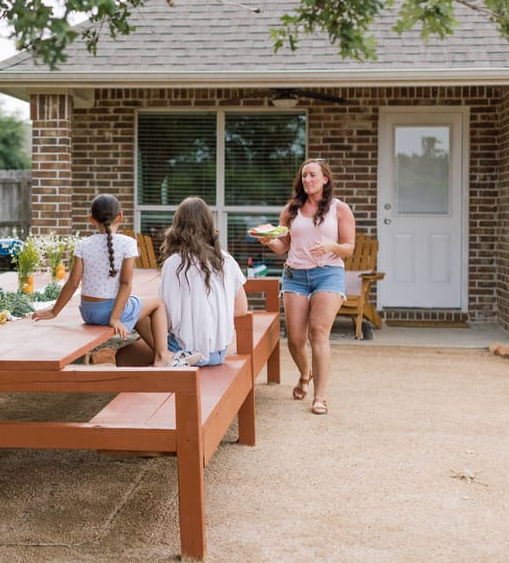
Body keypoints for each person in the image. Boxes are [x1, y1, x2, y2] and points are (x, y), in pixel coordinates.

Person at [256, 159, 356, 415]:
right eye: (304, 176)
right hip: (295, 276)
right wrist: (269, 242)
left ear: (325, 179)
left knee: (318, 332)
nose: (307, 180)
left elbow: (348, 247)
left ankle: (319, 397)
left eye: (312, 175)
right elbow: (283, 245)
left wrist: (331, 247)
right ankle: (304, 373)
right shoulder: (291, 210)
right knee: (296, 339)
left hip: (328, 274)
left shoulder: (339, 209)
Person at [31, 194, 171, 367]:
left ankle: (161, 353)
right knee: (157, 304)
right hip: (108, 314)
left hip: (88, 313)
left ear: (91, 219)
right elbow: (126, 284)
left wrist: (54, 311)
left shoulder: (83, 244)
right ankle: (163, 355)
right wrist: (114, 318)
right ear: (120, 216)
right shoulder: (128, 243)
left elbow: (72, 283)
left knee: (138, 310)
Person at [158, 197, 248, 368]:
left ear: (178, 225)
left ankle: (168, 363)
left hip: (184, 351)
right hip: (218, 354)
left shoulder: (174, 264)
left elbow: (166, 317)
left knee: (127, 353)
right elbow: (241, 308)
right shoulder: (226, 260)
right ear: (208, 224)